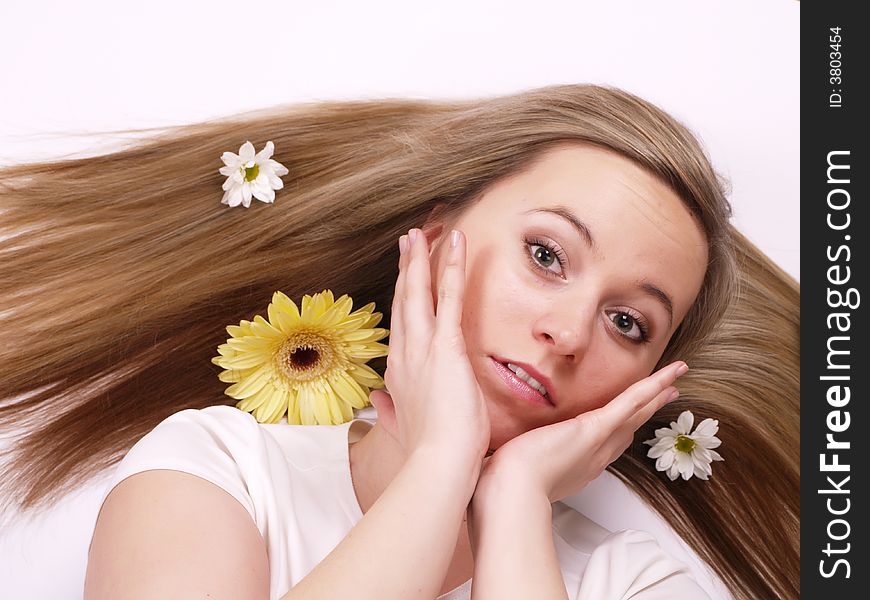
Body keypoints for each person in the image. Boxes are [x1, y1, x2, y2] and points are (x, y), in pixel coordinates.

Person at [0, 84, 799, 599]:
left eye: (629, 323)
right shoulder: (220, 469)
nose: (566, 334)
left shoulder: (633, 584)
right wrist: (441, 465)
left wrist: (512, 506)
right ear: (437, 240)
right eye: (547, 255)